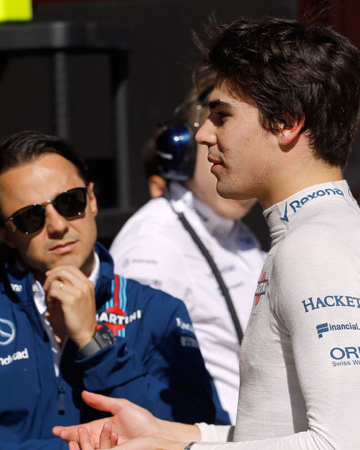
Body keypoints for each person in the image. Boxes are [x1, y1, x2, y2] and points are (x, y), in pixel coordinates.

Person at [54, 15, 360, 450]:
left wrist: (180, 449)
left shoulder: (314, 248)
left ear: (287, 122)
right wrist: (168, 431)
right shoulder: (335, 230)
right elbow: (277, 433)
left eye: (221, 115)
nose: (201, 134)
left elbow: (344, 444)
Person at [0, 130, 229, 450]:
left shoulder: (159, 312)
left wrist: (94, 341)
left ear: (92, 199)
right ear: (6, 234)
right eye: (31, 217)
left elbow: (198, 435)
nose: (58, 225)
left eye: (69, 202)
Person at [109, 76, 266, 422]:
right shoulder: (153, 242)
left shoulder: (239, 234)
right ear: (184, 148)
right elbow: (137, 380)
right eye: (221, 125)